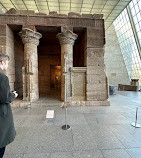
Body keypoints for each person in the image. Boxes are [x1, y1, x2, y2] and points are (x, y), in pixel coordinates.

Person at [0, 52, 18, 158]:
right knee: (1, 144)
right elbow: (4, 98)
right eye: (7, 63)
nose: (7, 66)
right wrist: (13, 95)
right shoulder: (3, 77)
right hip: (1, 114)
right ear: (2, 62)